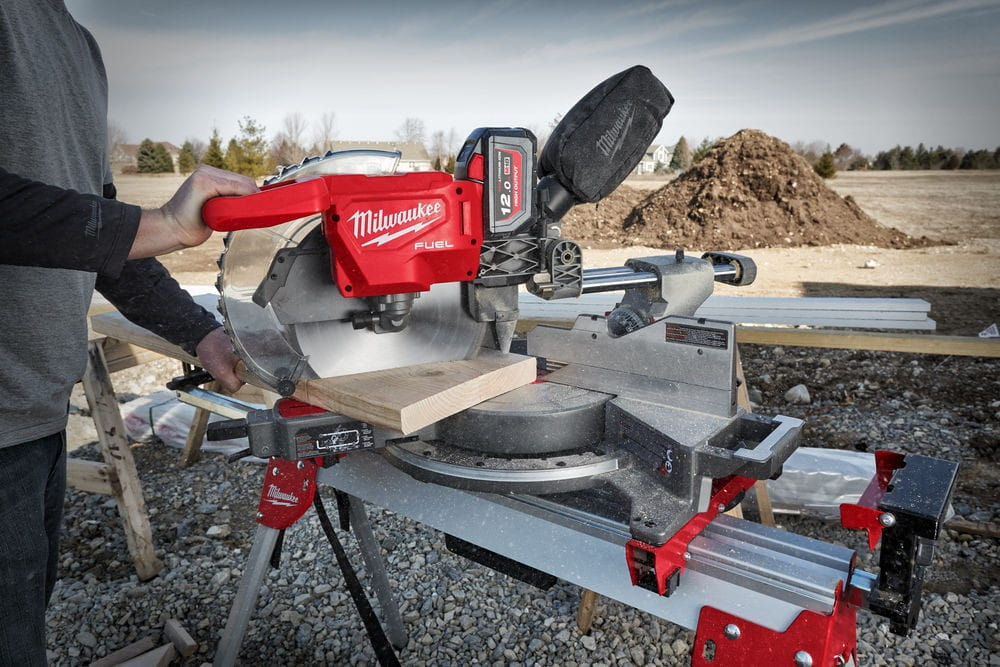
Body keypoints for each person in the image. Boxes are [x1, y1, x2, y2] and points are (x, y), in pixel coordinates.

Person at [0, 2, 257, 663]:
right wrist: (162, 223)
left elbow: (99, 233)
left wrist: (202, 333)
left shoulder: (77, 45)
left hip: (34, 409)